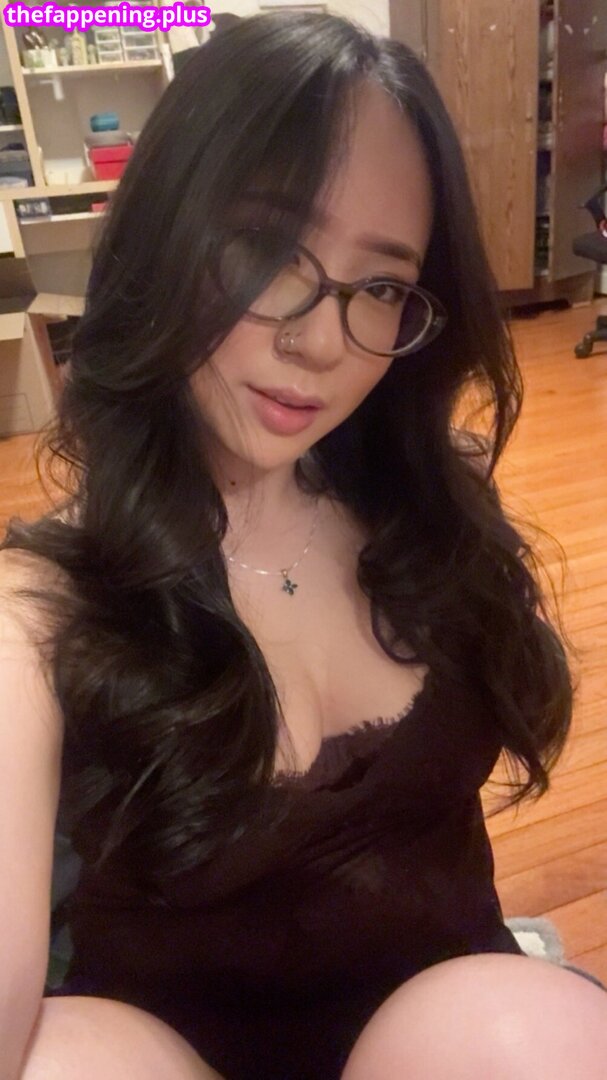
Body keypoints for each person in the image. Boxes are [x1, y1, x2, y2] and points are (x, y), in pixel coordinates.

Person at [1, 12, 606, 1080]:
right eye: (265, 250)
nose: (320, 341)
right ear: (164, 235)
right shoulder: (39, 614)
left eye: (380, 286)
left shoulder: (428, 501)